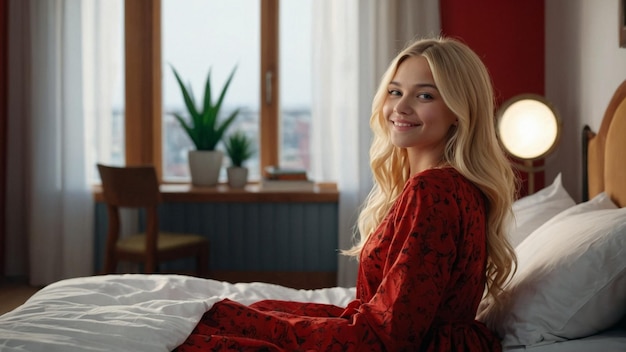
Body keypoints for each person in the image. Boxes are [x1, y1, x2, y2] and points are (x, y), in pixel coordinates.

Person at [175, 36, 517, 352]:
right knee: (246, 313)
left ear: (459, 111)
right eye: (395, 92)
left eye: (425, 95)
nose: (400, 107)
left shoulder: (433, 190)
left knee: (216, 331)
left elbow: (391, 336)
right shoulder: (454, 185)